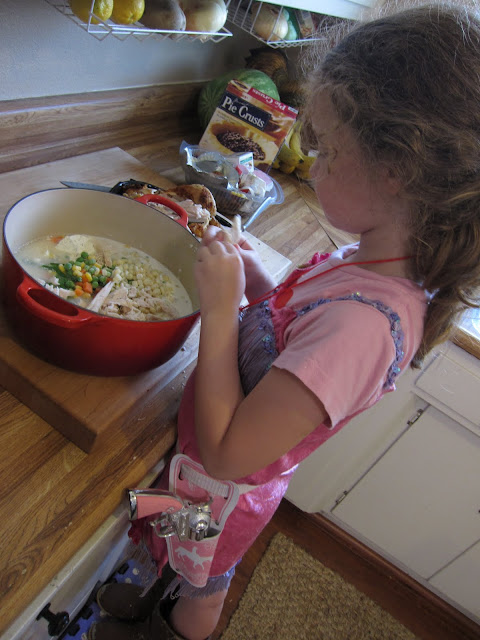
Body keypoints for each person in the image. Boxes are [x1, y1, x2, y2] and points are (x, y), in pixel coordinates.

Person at [88, 3, 480, 639]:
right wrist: (257, 283)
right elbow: (293, 331)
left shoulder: (364, 328)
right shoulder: (368, 261)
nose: (311, 163)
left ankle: (173, 627)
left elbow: (228, 453)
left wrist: (222, 307)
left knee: (201, 581)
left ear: (396, 171)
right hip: (195, 471)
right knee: (164, 537)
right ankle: (150, 588)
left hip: (218, 495)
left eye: (328, 150)